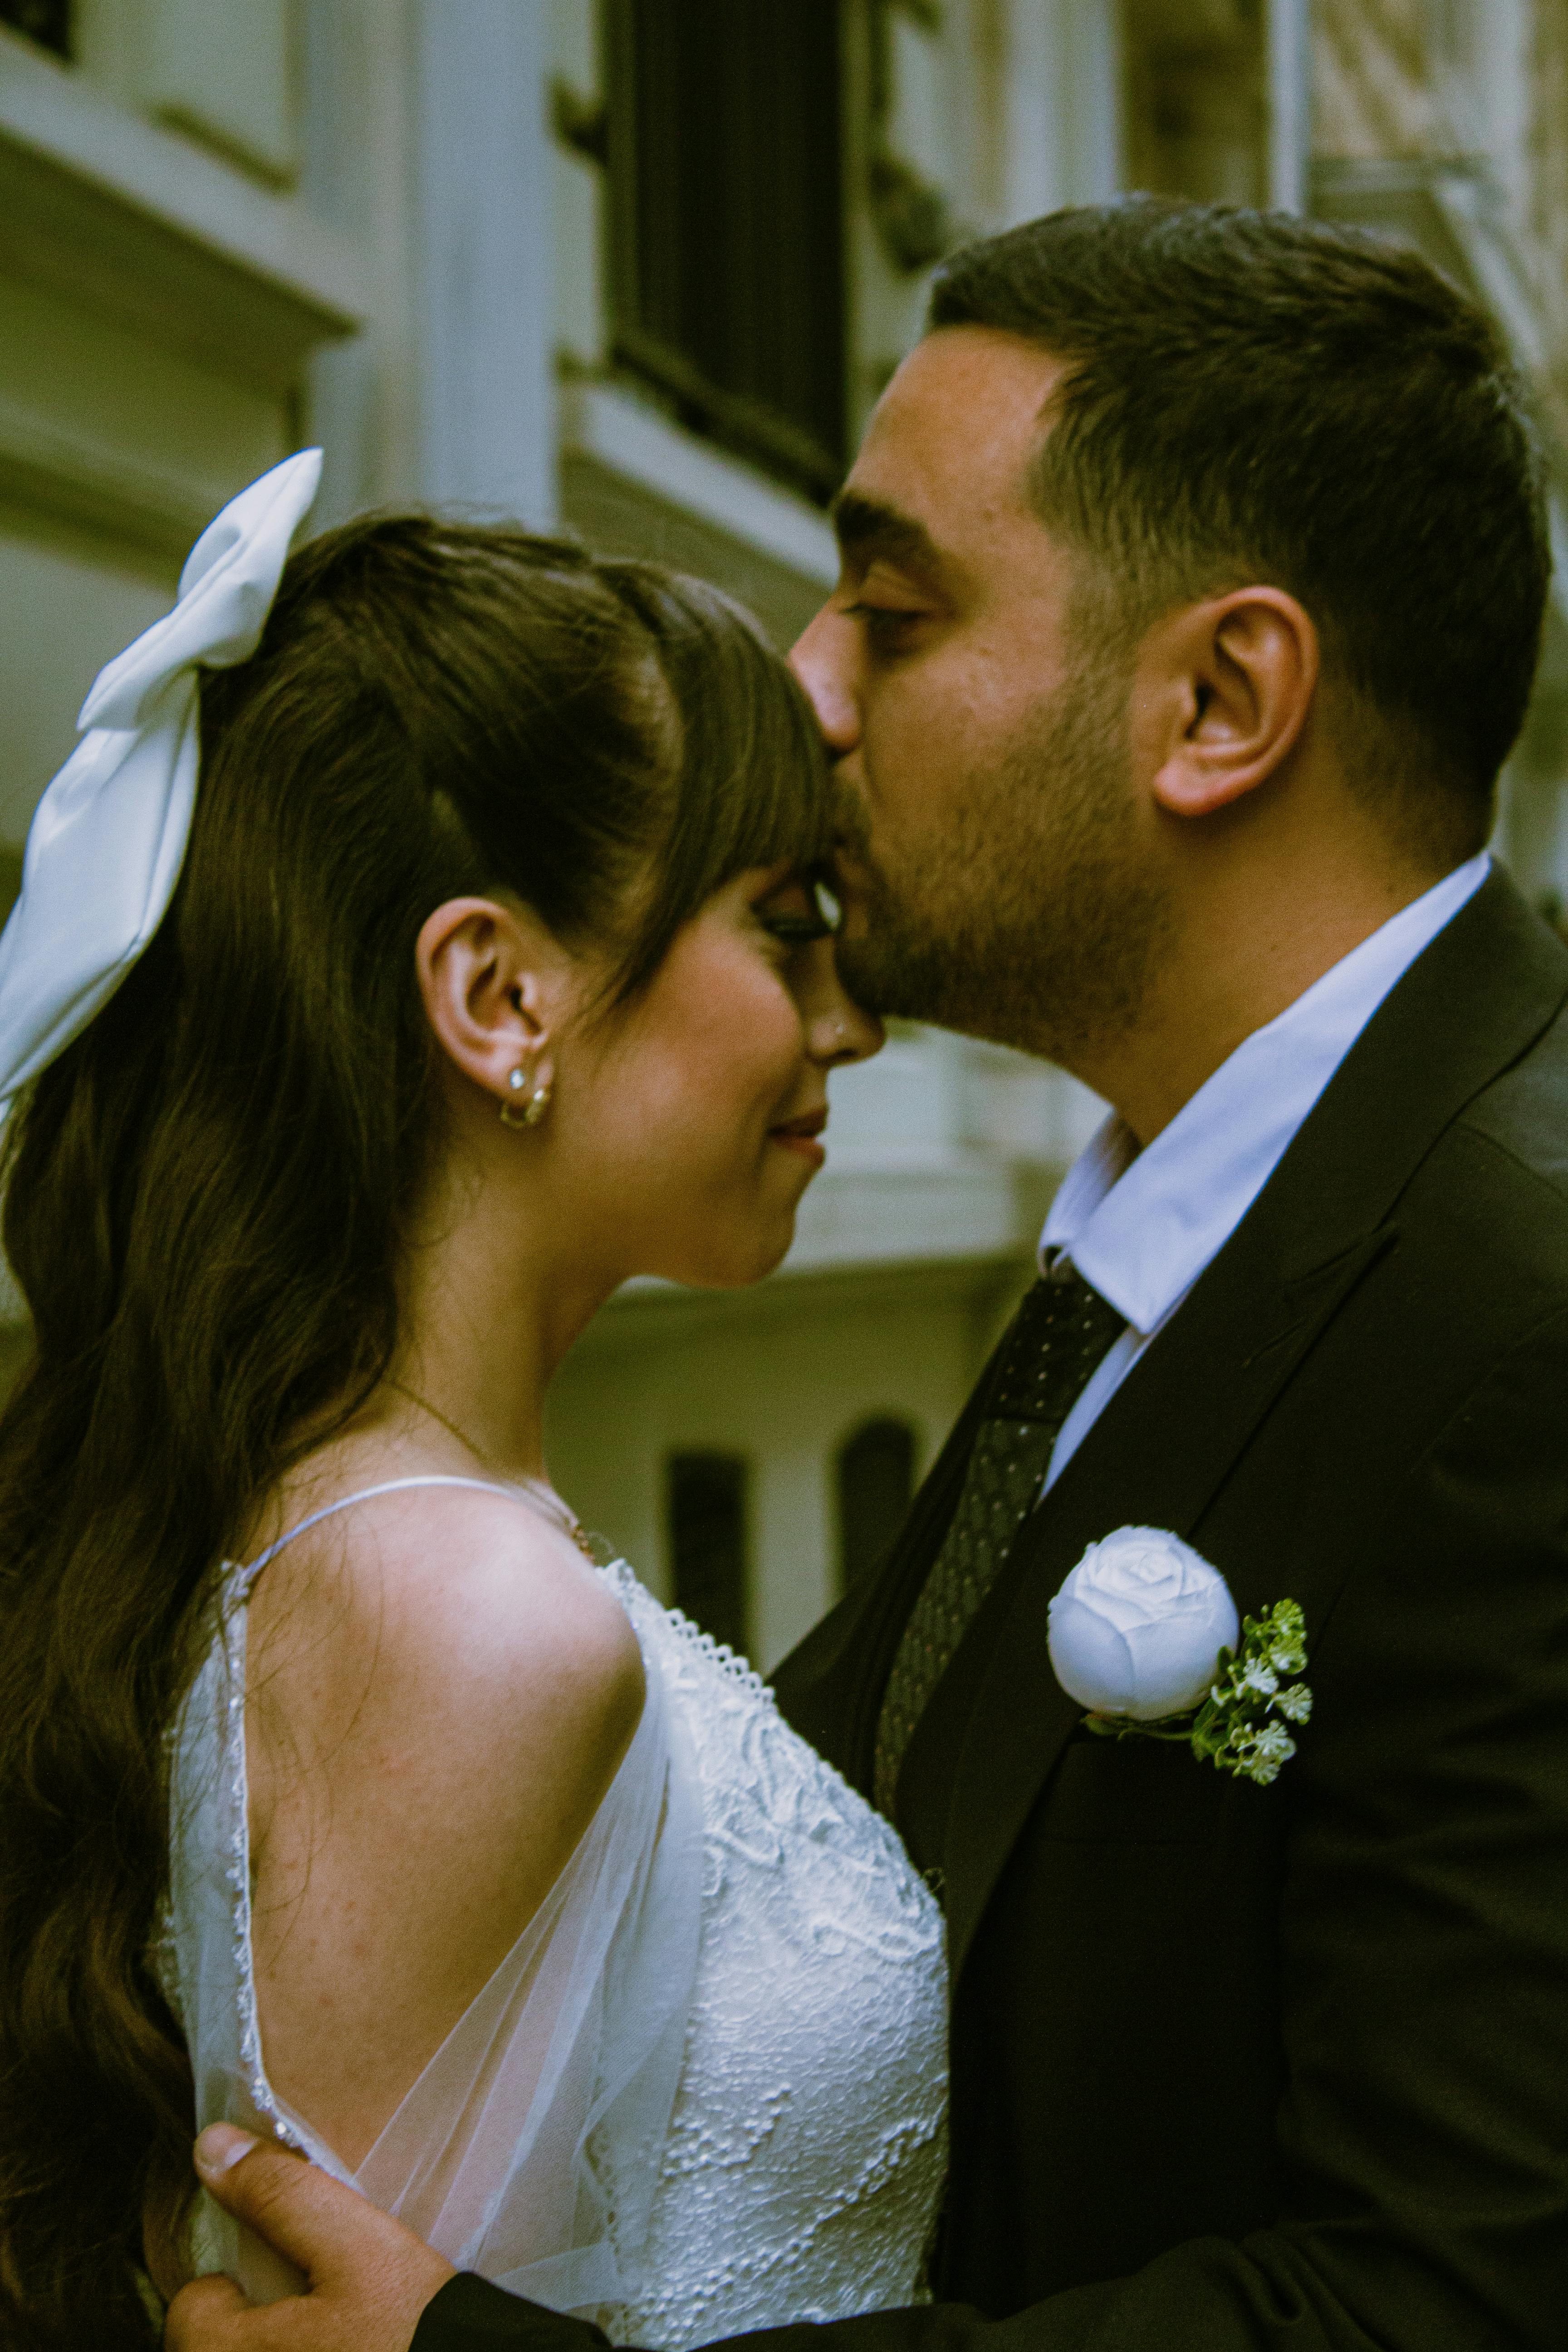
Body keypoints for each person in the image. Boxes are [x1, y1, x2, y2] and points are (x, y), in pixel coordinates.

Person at [171, 199, 1568, 2352]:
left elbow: (1447, 2299)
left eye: (895, 613)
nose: (808, 687)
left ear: (1220, 700)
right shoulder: (1157, 1231)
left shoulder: (1524, 1301)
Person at [0, 462, 957, 2352]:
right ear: (496, 991)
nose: (844, 1021)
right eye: (782, 922)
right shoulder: (468, 1616)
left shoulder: (355, 1513)